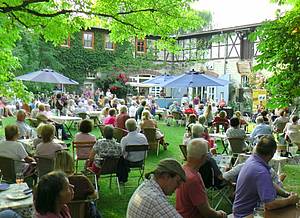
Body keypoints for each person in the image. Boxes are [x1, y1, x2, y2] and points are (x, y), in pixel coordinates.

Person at [233, 135, 299, 218]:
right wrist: (290, 200)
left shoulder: (253, 160)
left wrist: (286, 194)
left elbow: (269, 183)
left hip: (241, 211)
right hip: (247, 215)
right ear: (272, 154)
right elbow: (270, 205)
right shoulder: (261, 172)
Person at [176, 138, 227, 218]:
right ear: (204, 157)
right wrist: (220, 214)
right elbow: (206, 212)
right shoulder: (193, 179)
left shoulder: (183, 169)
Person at [54, 151, 99, 218]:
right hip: (83, 214)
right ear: (71, 162)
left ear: (56, 164)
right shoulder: (82, 180)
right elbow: (94, 196)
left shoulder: (51, 182)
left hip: (59, 215)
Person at [118, 119, 148, 183]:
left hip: (129, 162)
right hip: (141, 161)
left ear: (126, 127)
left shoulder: (125, 139)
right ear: (136, 127)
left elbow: (122, 153)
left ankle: (122, 179)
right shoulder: (143, 137)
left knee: (119, 160)